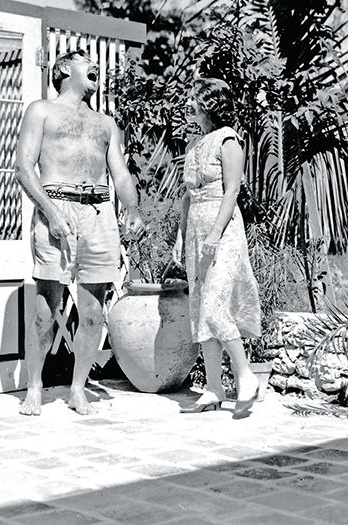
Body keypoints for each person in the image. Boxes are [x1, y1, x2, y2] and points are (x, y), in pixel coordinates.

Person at [14, 49, 145, 416]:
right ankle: (35, 385)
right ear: (63, 70)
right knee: (45, 308)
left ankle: (77, 388)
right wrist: (51, 213)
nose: (95, 66)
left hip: (99, 212)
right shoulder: (41, 110)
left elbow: (120, 174)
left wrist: (131, 208)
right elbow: (24, 169)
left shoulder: (106, 123)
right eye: (85, 60)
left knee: (93, 313)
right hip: (56, 205)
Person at [172, 77, 262, 419]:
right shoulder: (196, 145)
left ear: (209, 102)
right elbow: (187, 197)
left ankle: (245, 375)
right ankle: (213, 387)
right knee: (199, 307)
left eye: (194, 97)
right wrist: (181, 237)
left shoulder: (228, 140)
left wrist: (214, 234)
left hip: (221, 231)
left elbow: (232, 192)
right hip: (196, 229)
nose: (189, 102)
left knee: (214, 306)